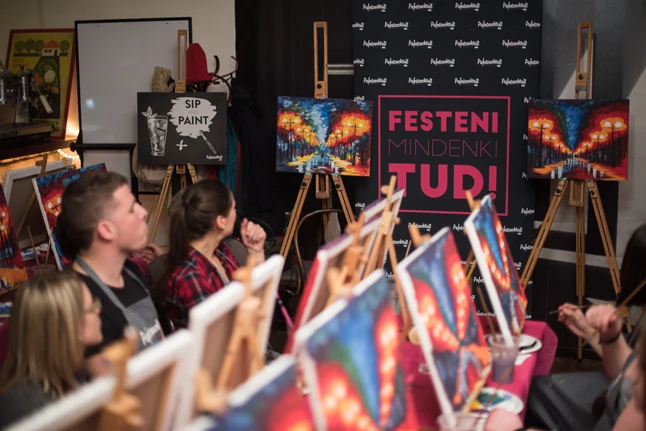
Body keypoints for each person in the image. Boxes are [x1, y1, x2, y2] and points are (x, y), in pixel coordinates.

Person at [55, 172, 164, 377]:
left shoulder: (130, 271)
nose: (143, 212)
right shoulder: (80, 300)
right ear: (106, 230)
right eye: (131, 209)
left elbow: (159, 340)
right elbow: (110, 390)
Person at [0, 273, 103, 427]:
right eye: (92, 307)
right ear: (71, 325)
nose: (98, 310)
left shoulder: (74, 371)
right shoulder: (27, 410)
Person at [164, 179, 266, 330]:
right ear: (221, 221)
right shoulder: (190, 276)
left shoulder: (220, 252)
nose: (236, 213)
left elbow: (252, 296)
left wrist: (255, 252)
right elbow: (217, 335)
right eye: (233, 208)